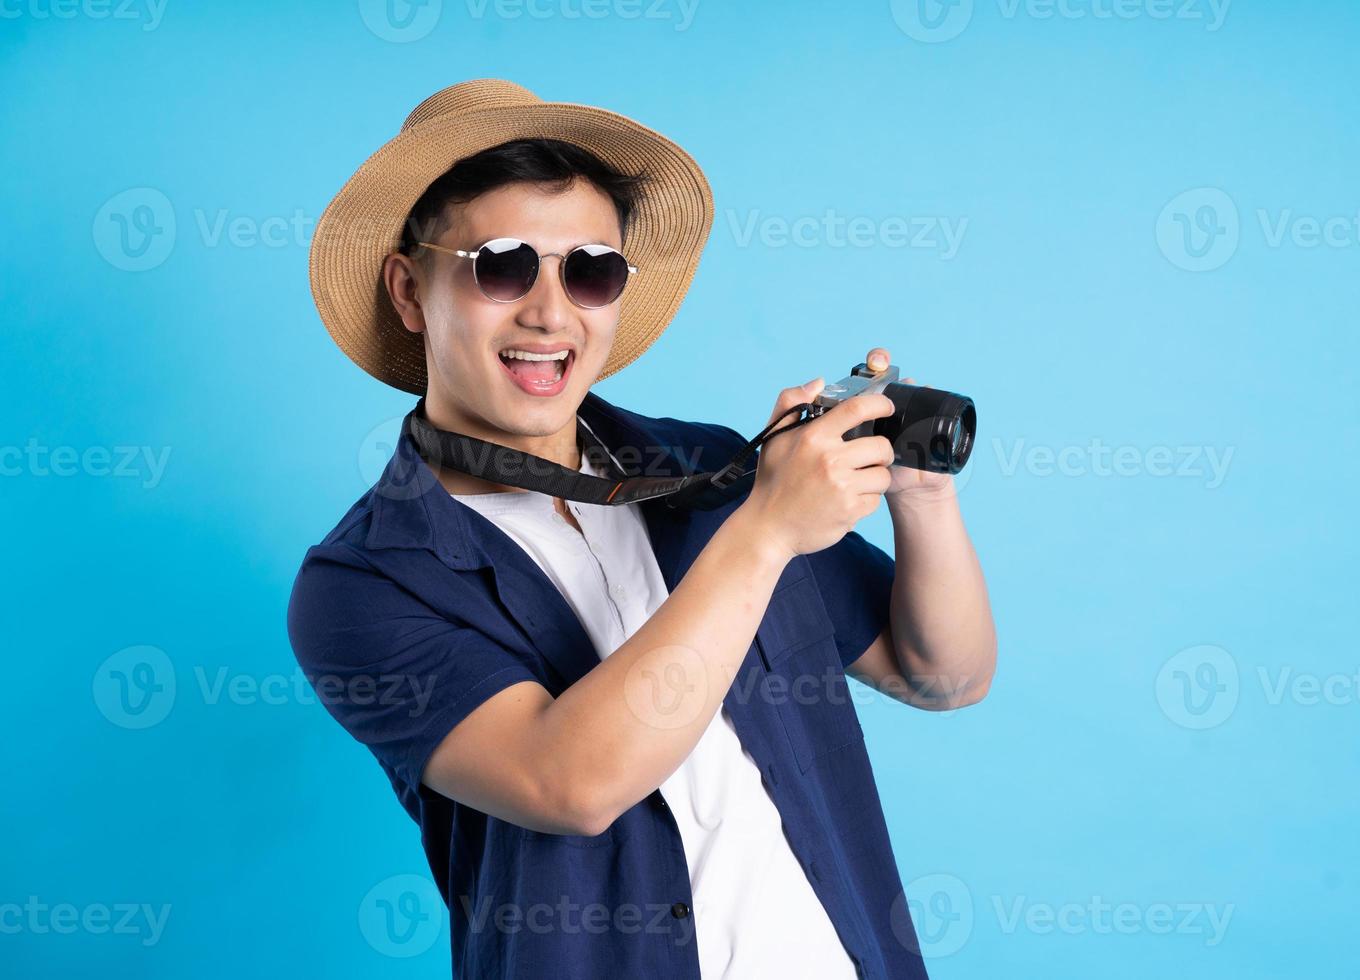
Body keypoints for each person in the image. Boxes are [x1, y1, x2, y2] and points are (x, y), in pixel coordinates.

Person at [286, 78, 997, 980]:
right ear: (409, 289)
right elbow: (567, 782)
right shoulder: (362, 584)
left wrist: (920, 492)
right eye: (502, 266)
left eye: (589, 271)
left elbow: (943, 675)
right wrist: (768, 530)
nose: (550, 312)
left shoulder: (708, 470)